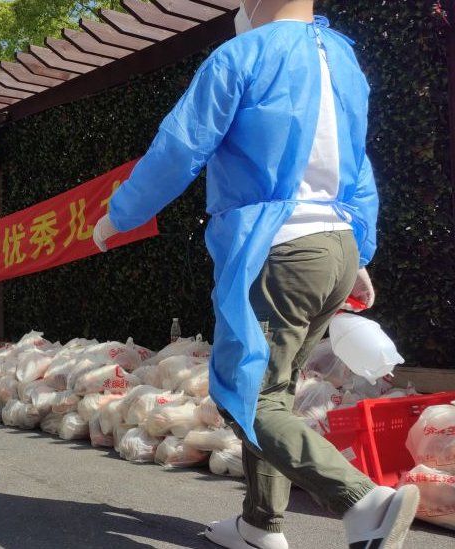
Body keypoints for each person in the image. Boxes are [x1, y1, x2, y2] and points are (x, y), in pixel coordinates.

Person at [93, 2, 418, 548]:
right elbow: (359, 167)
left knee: (246, 395)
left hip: (279, 249)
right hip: (335, 246)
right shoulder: (343, 57)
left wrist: (119, 214)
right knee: (274, 391)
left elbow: (180, 148)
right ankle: (260, 526)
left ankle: (364, 503)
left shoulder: (242, 54)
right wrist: (361, 253)